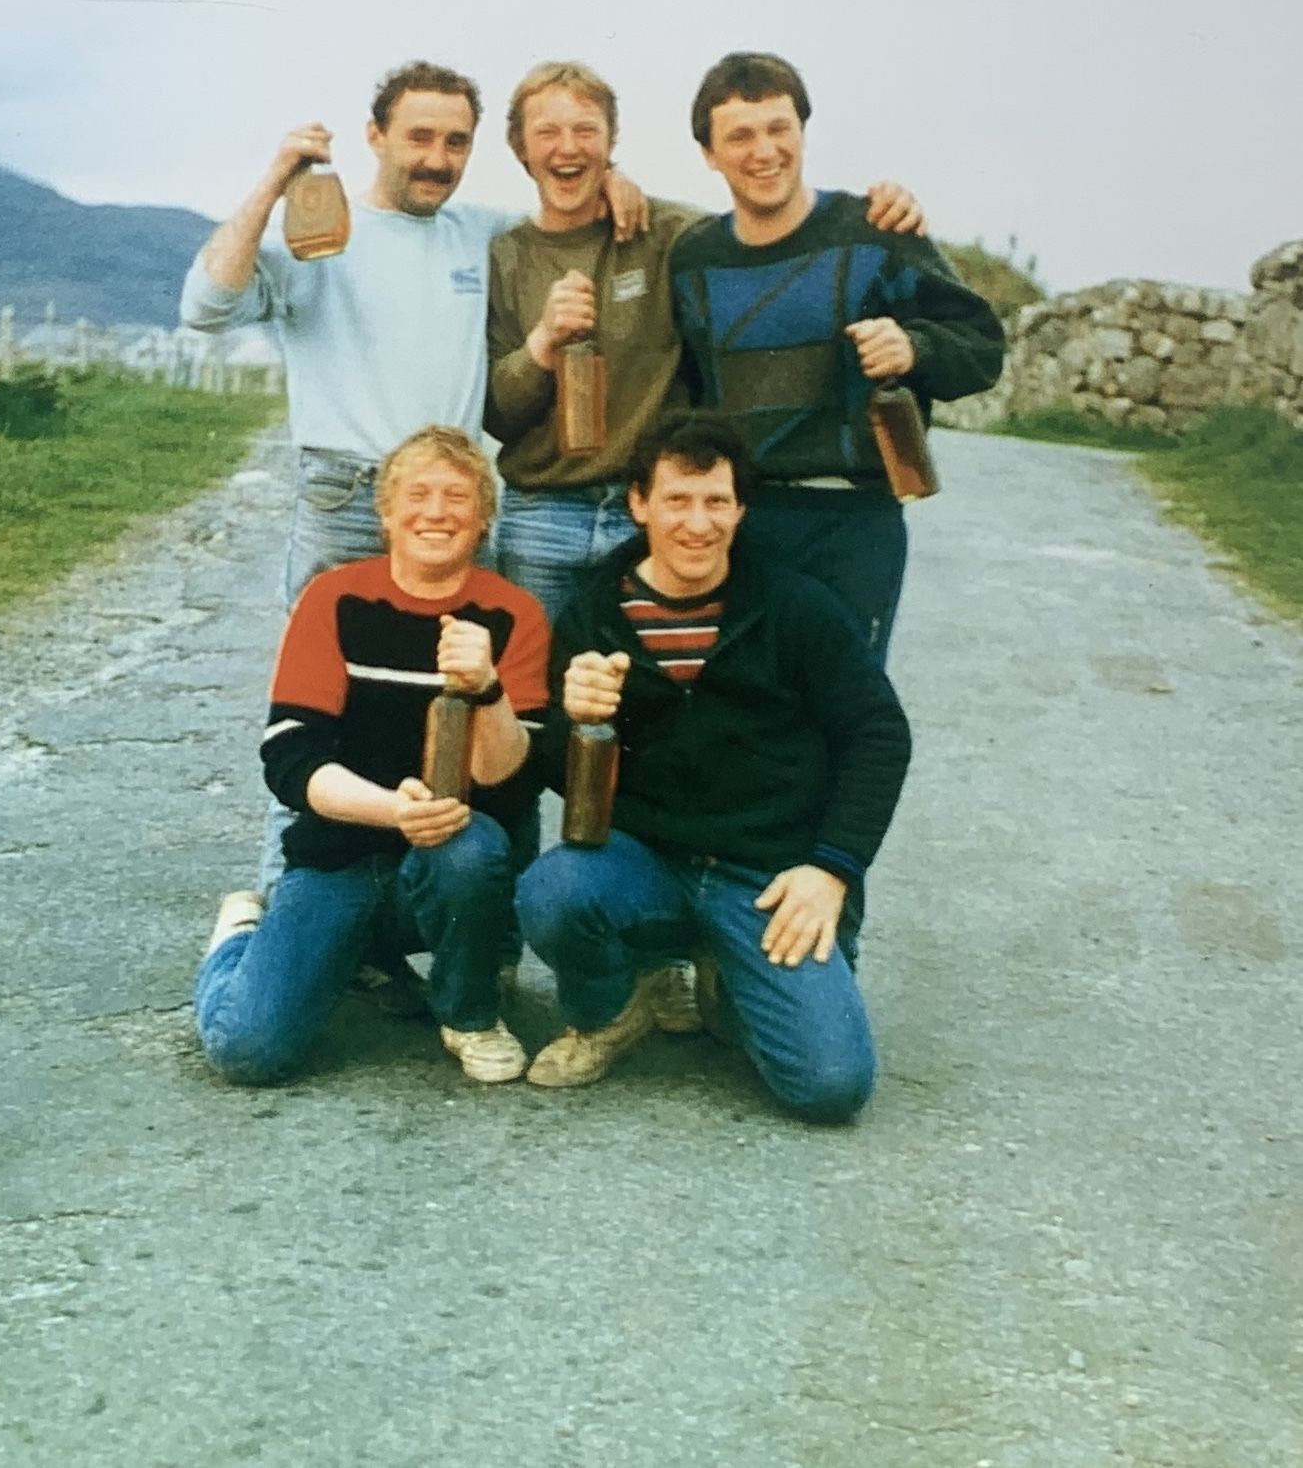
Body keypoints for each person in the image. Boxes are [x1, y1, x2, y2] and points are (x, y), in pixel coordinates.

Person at [179, 58, 644, 902]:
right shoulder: (315, 228)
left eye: (455, 141)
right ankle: (293, 911)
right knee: (318, 714)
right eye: (418, 137)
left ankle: (485, 930)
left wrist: (616, 178)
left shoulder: (480, 233)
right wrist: (276, 180)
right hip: (348, 494)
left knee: (490, 706)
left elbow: (566, 207)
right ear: (375, 137)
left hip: (458, 505)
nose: (436, 157)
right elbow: (203, 306)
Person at [516, 413, 910, 1122]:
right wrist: (571, 722)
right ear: (639, 502)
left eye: (716, 501)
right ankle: (614, 1007)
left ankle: (727, 983)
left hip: (767, 873)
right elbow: (558, 774)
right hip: (649, 863)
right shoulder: (593, 615)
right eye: (677, 499)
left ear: (740, 508)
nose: (697, 524)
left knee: (829, 1084)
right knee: (552, 890)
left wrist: (832, 867)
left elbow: (878, 731)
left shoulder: (794, 607)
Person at [486, 58, 925, 622]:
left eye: (586, 130)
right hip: (540, 517)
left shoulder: (674, 237)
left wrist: (883, 211)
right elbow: (498, 413)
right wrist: (543, 343)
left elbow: (764, 225)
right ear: (520, 146)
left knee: (651, 692)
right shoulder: (504, 254)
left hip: (652, 510)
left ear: (612, 142)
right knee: (541, 691)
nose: (567, 147)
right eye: (547, 132)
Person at [193, 427, 550, 1086]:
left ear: (483, 519)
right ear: (384, 513)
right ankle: (242, 935)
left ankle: (468, 1013)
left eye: (457, 496)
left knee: (470, 847)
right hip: (338, 858)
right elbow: (290, 755)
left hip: (444, 864)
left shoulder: (513, 614)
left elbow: (514, 782)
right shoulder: (335, 599)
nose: (436, 511)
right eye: (416, 493)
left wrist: (488, 688)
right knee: (247, 1048)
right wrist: (391, 810)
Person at [670, 51, 1005, 664]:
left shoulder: (873, 231)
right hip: (740, 524)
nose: (764, 150)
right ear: (709, 155)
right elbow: (686, 396)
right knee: (744, 713)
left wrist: (916, 346)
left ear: (803, 130)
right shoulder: (692, 262)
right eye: (740, 136)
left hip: (855, 522)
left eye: (779, 128)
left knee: (844, 712)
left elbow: (982, 347)